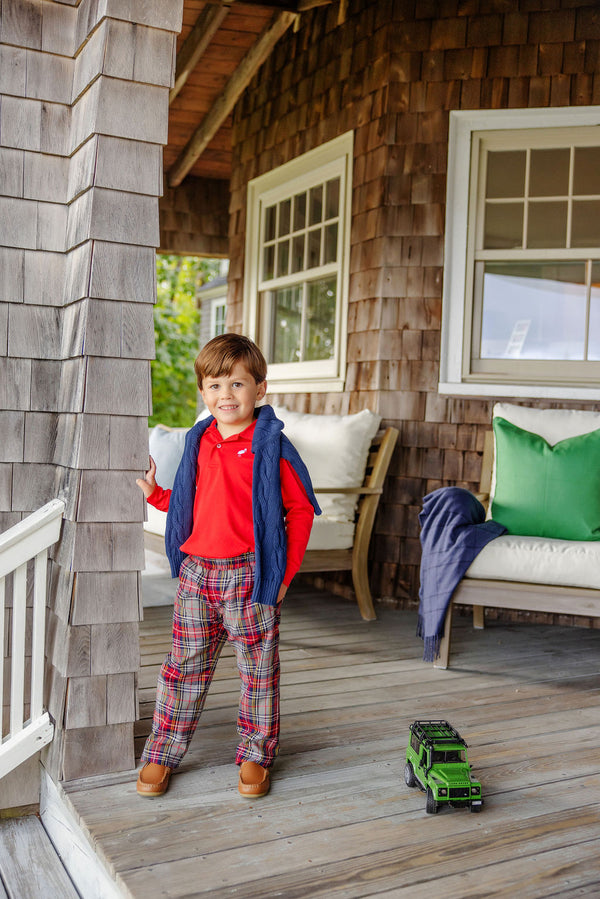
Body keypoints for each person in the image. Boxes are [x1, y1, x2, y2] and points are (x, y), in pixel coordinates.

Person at [135, 333, 320, 799]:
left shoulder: (272, 446)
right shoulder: (200, 442)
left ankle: (256, 753)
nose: (225, 396)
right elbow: (193, 504)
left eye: (237, 385)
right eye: (215, 386)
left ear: (260, 390)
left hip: (250, 574)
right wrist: (157, 495)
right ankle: (162, 751)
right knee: (183, 666)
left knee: (257, 669)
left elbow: (299, 511)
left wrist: (283, 574)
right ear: (203, 392)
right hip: (197, 574)